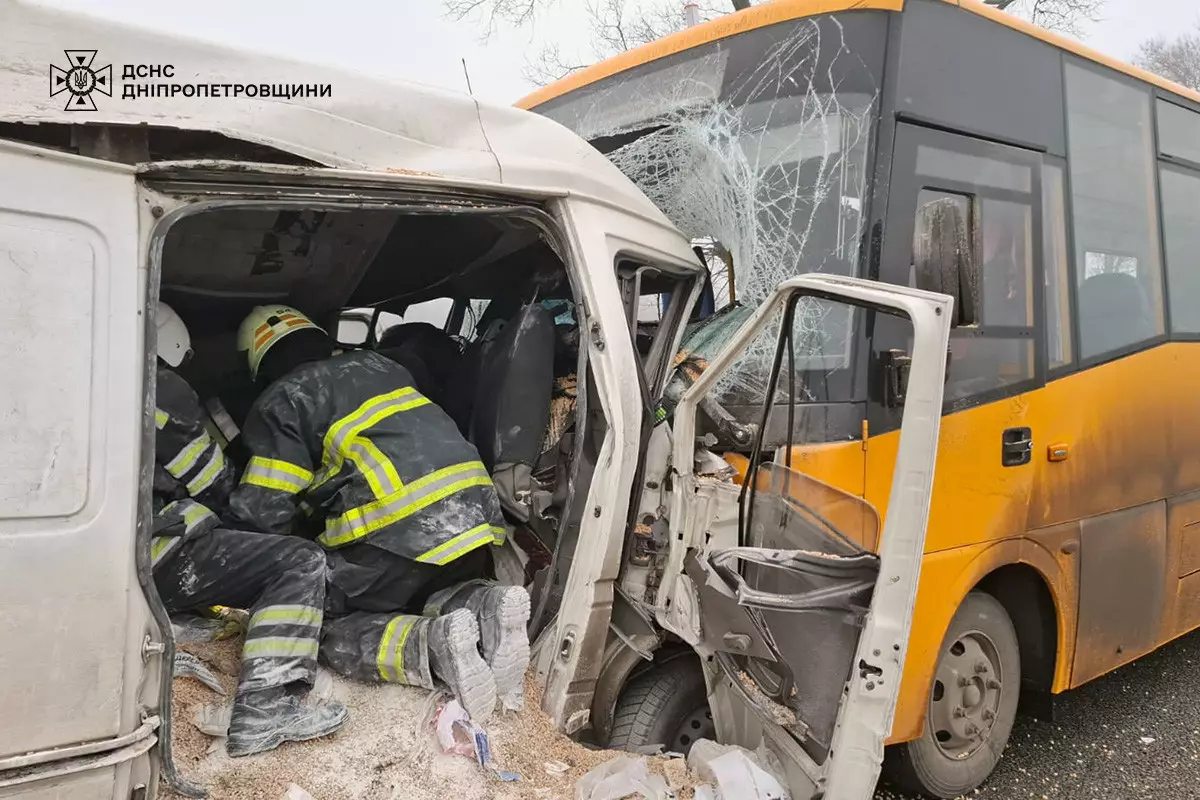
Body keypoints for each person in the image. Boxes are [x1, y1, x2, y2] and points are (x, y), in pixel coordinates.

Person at [227, 305, 530, 721]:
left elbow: (265, 512)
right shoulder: (381, 365)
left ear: (259, 365)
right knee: (420, 590)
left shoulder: (285, 398)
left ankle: (431, 646)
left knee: (317, 620)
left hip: (401, 525)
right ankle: (486, 605)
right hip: (475, 512)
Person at [151, 302, 347, 757]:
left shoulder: (88, 383)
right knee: (299, 560)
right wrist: (248, 508)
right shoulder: (160, 387)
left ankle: (179, 619)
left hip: (114, 557)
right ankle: (265, 710)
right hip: (156, 553)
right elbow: (210, 482)